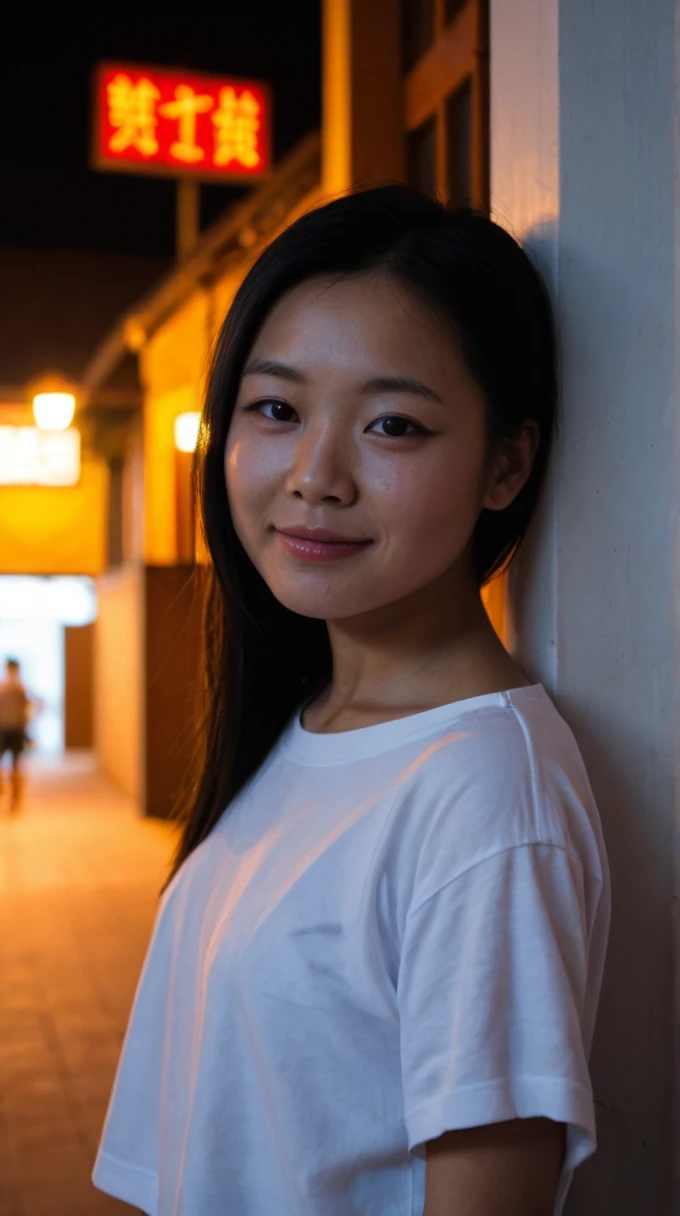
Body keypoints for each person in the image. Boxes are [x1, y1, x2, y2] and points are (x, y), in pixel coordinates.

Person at [93, 185, 610, 1216]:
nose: (315, 476)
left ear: (505, 463)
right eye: (276, 409)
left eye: (391, 425)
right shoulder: (306, 724)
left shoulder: (480, 796)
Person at [0, 657, 30, 812]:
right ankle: (14, 799)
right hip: (9, 730)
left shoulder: (12, 688)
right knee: (15, 766)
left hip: (9, 730)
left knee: (16, 766)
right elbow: (25, 712)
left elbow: (24, 712)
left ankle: (15, 799)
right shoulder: (18, 688)